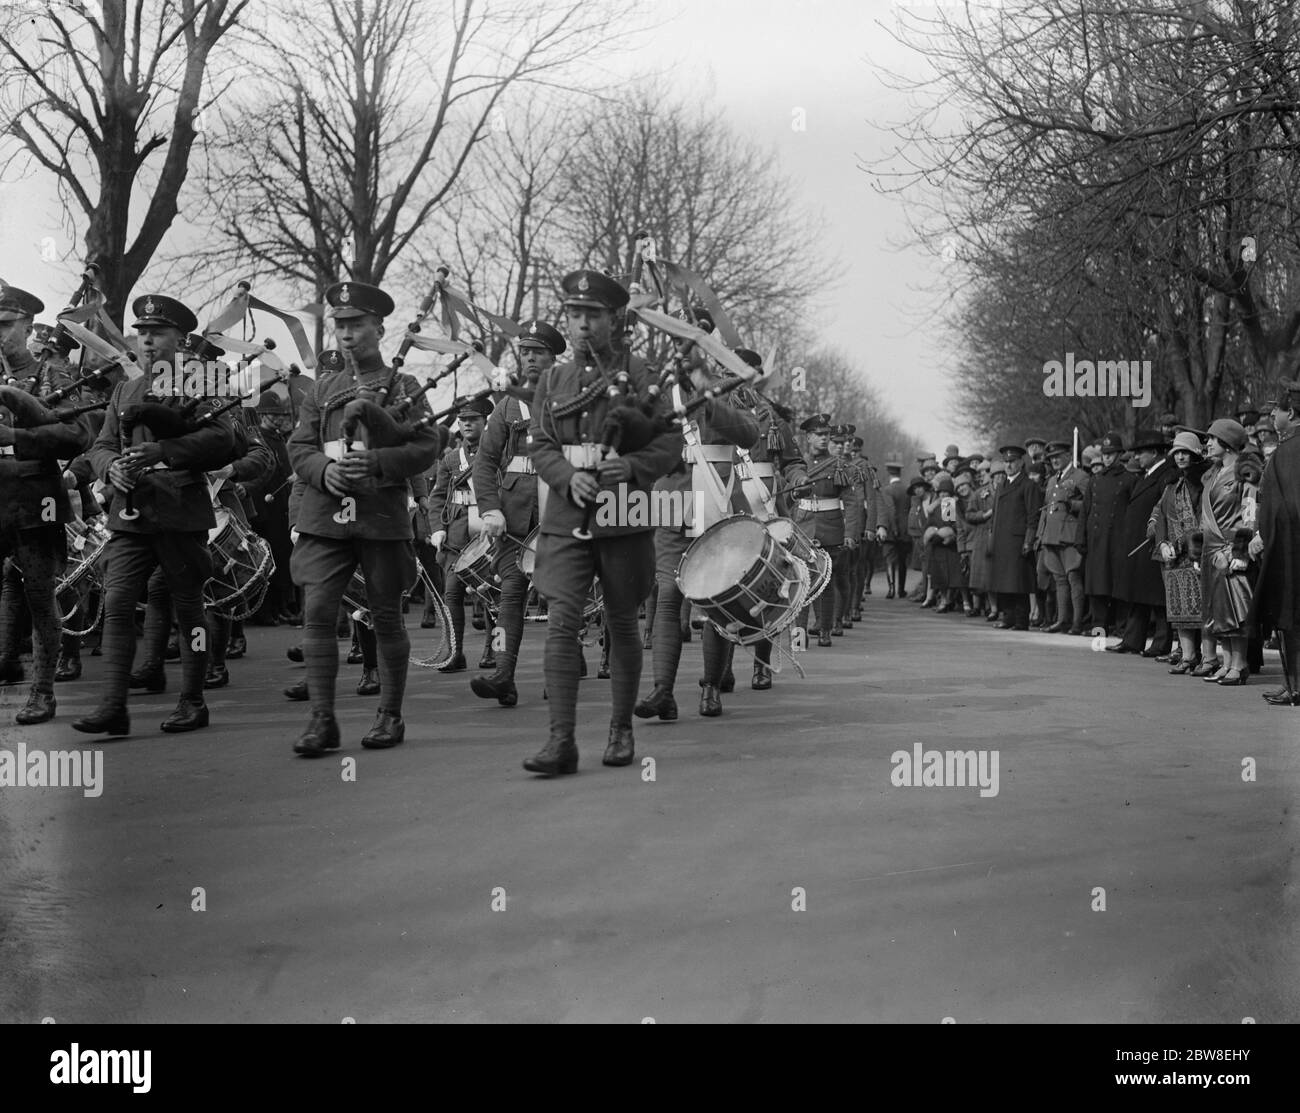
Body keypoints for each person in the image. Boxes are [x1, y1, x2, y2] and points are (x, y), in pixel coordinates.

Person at [523, 269, 682, 776]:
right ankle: (560, 740)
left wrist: (632, 467)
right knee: (562, 624)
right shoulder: (554, 378)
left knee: (620, 621)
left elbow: (670, 443)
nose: (582, 325)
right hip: (567, 513)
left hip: (624, 514)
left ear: (614, 319)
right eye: (574, 315)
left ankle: (621, 729)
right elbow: (541, 443)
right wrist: (567, 477)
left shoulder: (642, 375)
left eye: (593, 316)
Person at [286, 280, 441, 755]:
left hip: (378, 517)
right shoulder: (322, 388)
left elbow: (428, 446)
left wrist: (378, 463)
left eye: (357, 324)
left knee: (386, 618)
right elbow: (299, 447)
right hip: (326, 517)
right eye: (340, 325)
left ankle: (390, 716)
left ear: (378, 327)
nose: (347, 334)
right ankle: (322, 721)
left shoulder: (406, 386)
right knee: (316, 613)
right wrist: (323, 471)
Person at [75, 294, 237, 735]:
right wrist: (113, 469)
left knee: (189, 609)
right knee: (118, 601)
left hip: (181, 509)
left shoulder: (203, 381)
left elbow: (223, 441)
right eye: (142, 333)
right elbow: (101, 444)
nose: (147, 341)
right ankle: (113, 705)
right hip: (130, 512)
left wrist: (163, 451)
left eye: (157, 333)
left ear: (180, 339)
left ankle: (193, 699)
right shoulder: (126, 388)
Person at [635, 314, 759, 719]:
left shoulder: (732, 386)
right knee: (668, 595)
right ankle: (662, 692)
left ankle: (711, 686)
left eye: (693, 336)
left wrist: (709, 396)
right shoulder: (657, 389)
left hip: (718, 500)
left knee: (716, 601)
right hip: (671, 500)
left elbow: (748, 434)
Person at [0, 286, 93, 723]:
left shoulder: (54, 376)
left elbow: (78, 437)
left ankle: (42, 691)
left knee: (40, 596)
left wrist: (19, 436)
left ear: (25, 325)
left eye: (5, 325)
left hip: (36, 502)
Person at [472, 320, 565, 707]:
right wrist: (490, 508)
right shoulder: (507, 405)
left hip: (558, 508)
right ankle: (503, 673)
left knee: (561, 595)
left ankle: (561, 671)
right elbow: (485, 461)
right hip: (514, 514)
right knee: (509, 594)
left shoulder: (569, 395)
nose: (529, 358)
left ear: (553, 357)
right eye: (525, 351)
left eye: (538, 352)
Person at [429, 395, 494, 672]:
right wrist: (437, 530)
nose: (467, 425)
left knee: (492, 596)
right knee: (452, 595)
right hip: (457, 536)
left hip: (488, 534)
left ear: (484, 421)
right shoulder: (451, 459)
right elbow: (437, 497)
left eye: (473, 420)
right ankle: (455, 653)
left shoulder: (496, 453)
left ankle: (493, 651)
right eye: (463, 420)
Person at [786, 414, 862, 645]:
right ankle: (799, 636)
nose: (823, 439)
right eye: (818, 435)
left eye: (826, 435)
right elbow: (787, 498)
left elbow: (851, 502)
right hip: (802, 527)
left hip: (830, 530)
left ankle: (825, 630)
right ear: (808, 437)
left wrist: (850, 534)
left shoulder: (840, 466)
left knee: (825, 583)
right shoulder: (797, 465)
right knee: (802, 581)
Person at [1249, 380, 1300, 704]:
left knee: (1290, 617)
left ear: (1291, 413)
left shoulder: (1287, 452)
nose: (1272, 416)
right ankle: (1292, 684)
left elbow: (1280, 506)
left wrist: (1262, 536)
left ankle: (1295, 686)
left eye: (1276, 411)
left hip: (1289, 549)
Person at [1198, 419, 1259, 685]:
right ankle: (1226, 662)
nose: (1208, 444)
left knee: (1236, 608)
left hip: (1230, 551)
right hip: (1210, 552)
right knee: (1216, 609)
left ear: (1227, 443)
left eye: (1212, 439)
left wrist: (1240, 551)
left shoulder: (1245, 472)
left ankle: (1240, 663)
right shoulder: (1211, 475)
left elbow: (1250, 512)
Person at [1111, 430, 1177, 657]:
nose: (1136, 457)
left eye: (1141, 453)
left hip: (1153, 543)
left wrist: (1158, 536)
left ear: (1155, 453)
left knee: (1158, 597)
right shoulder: (1146, 475)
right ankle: (1132, 639)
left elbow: (1165, 509)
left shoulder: (1167, 475)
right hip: (1139, 544)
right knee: (1138, 595)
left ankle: (1161, 643)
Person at [1149, 430, 1206, 675]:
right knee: (1178, 608)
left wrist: (1180, 543)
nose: (1181, 456)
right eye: (1178, 452)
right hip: (1171, 554)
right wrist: (1162, 543)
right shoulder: (1171, 484)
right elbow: (1160, 514)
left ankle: (1204, 655)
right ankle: (1188, 654)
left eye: (1186, 452)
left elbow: (1201, 518)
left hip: (1193, 551)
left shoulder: (1201, 483)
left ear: (1195, 454)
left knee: (1199, 607)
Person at [1082, 430, 1133, 638]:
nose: (1107, 457)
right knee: (1097, 589)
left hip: (1119, 541)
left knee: (1119, 588)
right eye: (1105, 453)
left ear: (1120, 454)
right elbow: (1086, 512)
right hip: (1097, 541)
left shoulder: (1130, 480)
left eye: (1111, 453)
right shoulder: (1095, 481)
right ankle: (1098, 629)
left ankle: (1121, 630)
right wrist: (1081, 540)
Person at [1036, 440, 1089, 634]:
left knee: (1073, 577)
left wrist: (1073, 504)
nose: (1054, 460)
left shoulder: (1081, 476)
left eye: (1058, 456)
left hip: (1069, 534)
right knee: (1059, 580)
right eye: (1051, 458)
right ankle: (1062, 620)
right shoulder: (1051, 480)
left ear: (1068, 455)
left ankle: (1076, 622)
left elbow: (1089, 505)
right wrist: (1040, 535)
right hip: (1051, 535)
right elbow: (1046, 509)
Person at [989, 444, 1043, 630]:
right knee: (1004, 582)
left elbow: (1032, 517)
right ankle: (1008, 617)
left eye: (1012, 461)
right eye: (1006, 462)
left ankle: (1021, 620)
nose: (1009, 465)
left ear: (1021, 462)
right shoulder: (1001, 485)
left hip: (1018, 541)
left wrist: (1029, 540)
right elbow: (995, 515)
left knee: (1018, 582)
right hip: (1002, 540)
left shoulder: (1028, 485)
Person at [881, 459, 911, 599]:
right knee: (902, 561)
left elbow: (891, 510)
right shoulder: (907, 489)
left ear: (889, 473)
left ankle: (891, 589)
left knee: (890, 560)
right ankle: (901, 590)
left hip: (891, 531)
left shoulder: (887, 490)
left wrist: (893, 528)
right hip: (906, 531)